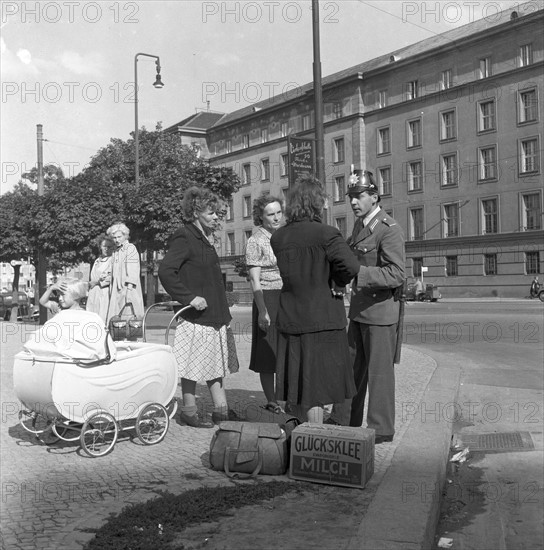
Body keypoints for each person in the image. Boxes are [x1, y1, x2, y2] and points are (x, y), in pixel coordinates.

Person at [270, 177, 360, 424]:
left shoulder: (278, 238)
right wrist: (337, 281)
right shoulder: (327, 234)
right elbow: (351, 266)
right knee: (316, 391)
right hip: (322, 320)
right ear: (315, 203)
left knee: (297, 388)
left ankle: (299, 441)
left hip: (290, 319)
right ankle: (313, 443)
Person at [328, 169, 405, 444]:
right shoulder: (360, 226)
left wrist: (359, 273)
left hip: (381, 314)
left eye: (358, 196)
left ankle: (381, 428)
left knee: (379, 375)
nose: (352, 202)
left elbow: (397, 273)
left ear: (374, 196)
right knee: (350, 370)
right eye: (351, 196)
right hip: (359, 311)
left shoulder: (389, 229)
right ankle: (343, 419)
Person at [158, 186, 239, 427]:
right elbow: (166, 271)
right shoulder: (185, 236)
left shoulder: (205, 239)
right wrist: (189, 297)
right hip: (195, 315)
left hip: (213, 315)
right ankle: (189, 412)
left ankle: (221, 411)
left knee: (216, 366)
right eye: (211, 213)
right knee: (192, 367)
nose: (216, 217)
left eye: (217, 213)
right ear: (195, 212)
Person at [245, 194, 284, 413]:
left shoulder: (285, 235)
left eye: (279, 212)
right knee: (268, 352)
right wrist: (262, 311)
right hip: (267, 297)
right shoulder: (256, 240)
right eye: (271, 214)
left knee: (285, 349)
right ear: (261, 216)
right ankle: (272, 401)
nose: (276, 218)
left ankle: (286, 397)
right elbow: (254, 279)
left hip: (286, 296)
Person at [31, 278, 109, 360]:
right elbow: (43, 301)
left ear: (76, 295)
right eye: (58, 295)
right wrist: (51, 288)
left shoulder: (84, 313)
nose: (60, 298)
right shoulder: (58, 308)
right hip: (59, 346)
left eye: (63, 295)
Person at [106, 223, 144, 323]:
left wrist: (129, 291)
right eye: (114, 237)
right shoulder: (115, 251)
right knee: (116, 319)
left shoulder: (130, 248)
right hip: (116, 289)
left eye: (119, 237)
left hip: (127, 288)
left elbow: (133, 270)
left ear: (125, 236)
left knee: (129, 318)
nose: (117, 240)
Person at [86, 234, 114, 322]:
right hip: (93, 293)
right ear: (100, 247)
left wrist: (97, 282)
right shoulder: (97, 261)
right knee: (91, 317)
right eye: (104, 246)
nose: (107, 249)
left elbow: (111, 277)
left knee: (102, 317)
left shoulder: (113, 261)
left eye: (109, 247)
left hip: (104, 292)